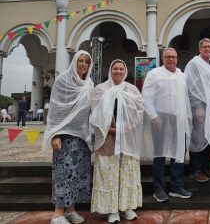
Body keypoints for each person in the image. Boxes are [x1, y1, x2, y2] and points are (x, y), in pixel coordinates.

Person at [42, 50, 94, 224]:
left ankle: (71, 210)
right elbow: (56, 109)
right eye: (80, 61)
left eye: (86, 62)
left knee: (78, 174)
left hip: (82, 137)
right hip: (65, 136)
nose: (83, 64)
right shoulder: (63, 80)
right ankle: (57, 214)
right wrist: (55, 134)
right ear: (74, 62)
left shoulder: (89, 83)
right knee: (63, 174)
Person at [90, 59, 144, 223]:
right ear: (110, 70)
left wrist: (127, 128)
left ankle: (127, 207)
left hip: (128, 138)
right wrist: (113, 130)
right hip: (107, 139)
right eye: (115, 68)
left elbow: (139, 110)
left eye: (121, 68)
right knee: (109, 174)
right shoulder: (100, 90)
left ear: (125, 71)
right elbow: (95, 116)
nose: (118, 71)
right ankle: (111, 210)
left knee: (127, 173)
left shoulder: (132, 89)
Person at [142, 48, 193, 202]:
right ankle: (159, 188)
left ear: (177, 59)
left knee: (178, 152)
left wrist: (188, 117)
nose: (171, 59)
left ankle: (176, 186)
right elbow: (146, 96)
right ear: (163, 59)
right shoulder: (154, 74)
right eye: (168, 57)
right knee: (160, 153)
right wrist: (153, 116)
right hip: (161, 119)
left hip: (179, 118)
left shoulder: (182, 75)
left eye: (174, 57)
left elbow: (185, 98)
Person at [185, 38, 210, 183]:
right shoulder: (194, 63)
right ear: (199, 49)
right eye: (204, 47)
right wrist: (198, 106)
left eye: (209, 47)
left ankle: (205, 167)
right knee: (197, 137)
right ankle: (195, 170)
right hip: (198, 107)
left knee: (207, 135)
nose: (207, 49)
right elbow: (190, 86)